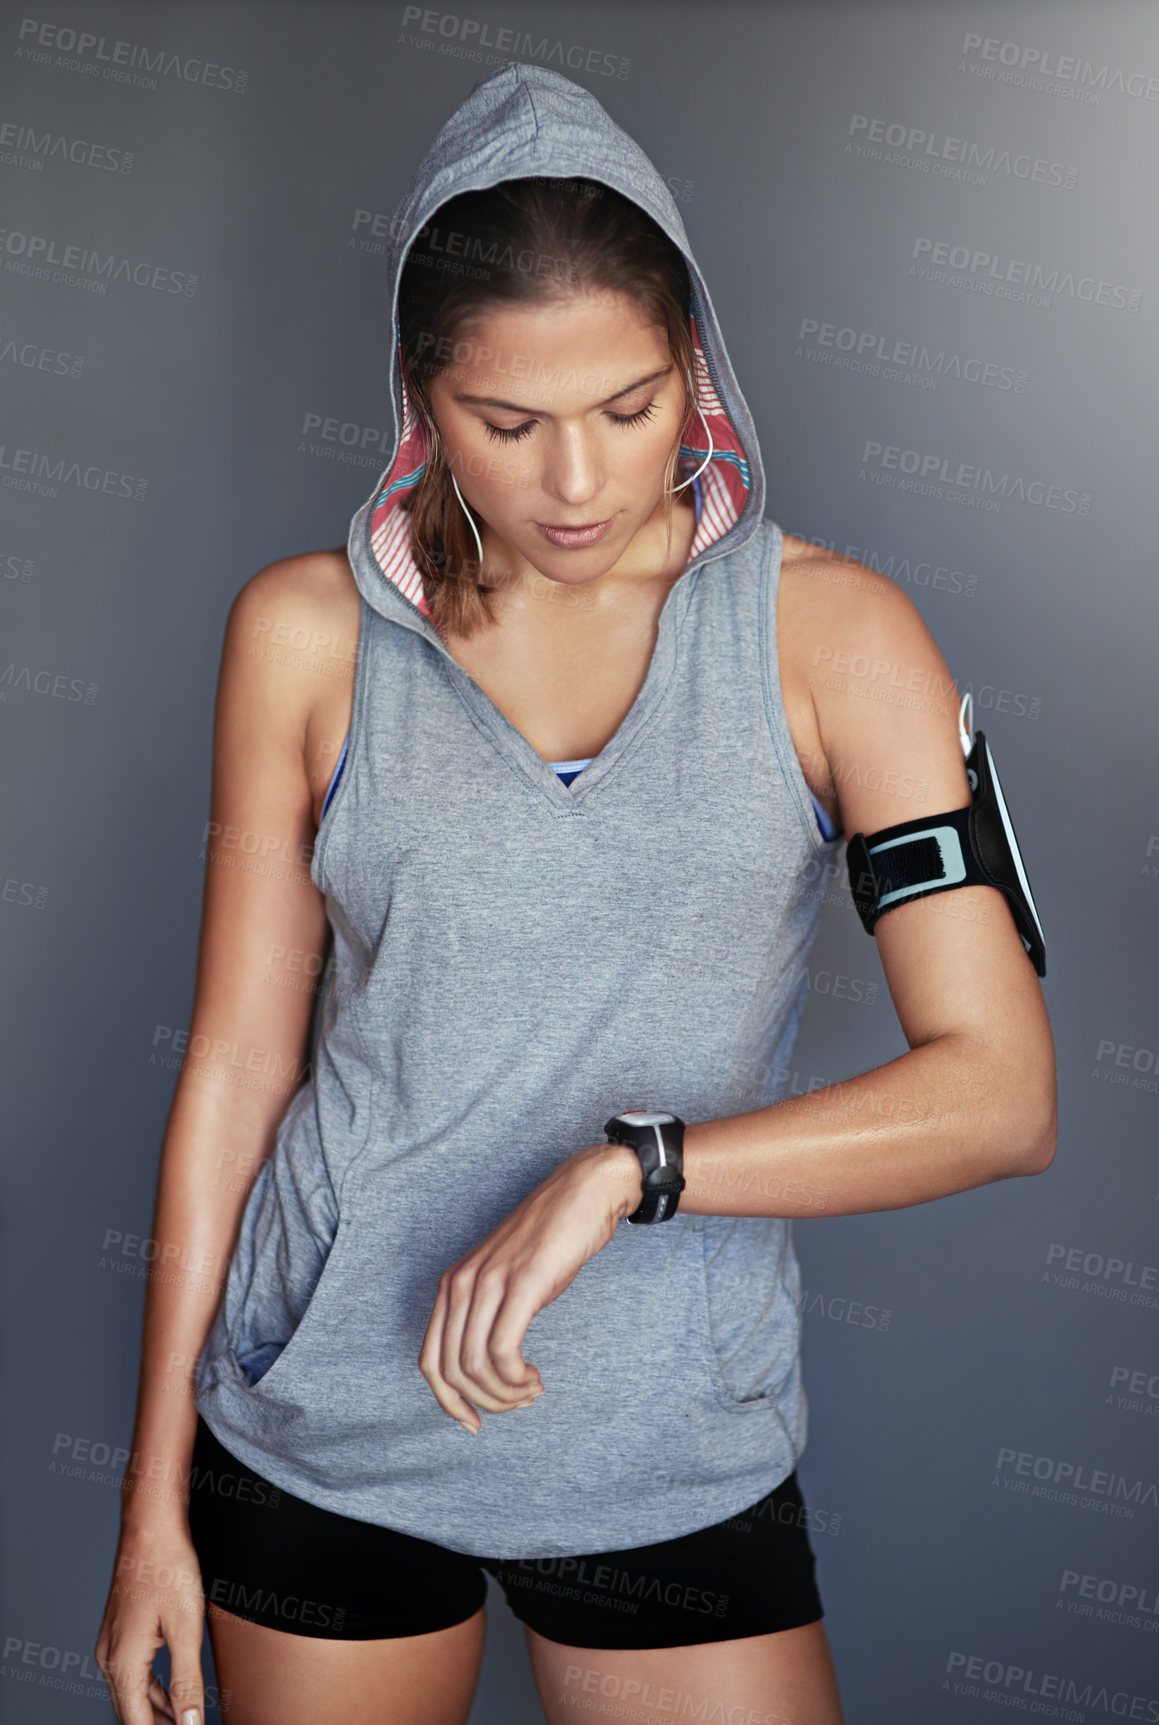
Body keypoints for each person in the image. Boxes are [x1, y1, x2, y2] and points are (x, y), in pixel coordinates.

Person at [94, 62, 1056, 1725]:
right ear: (418, 396)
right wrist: (149, 1513)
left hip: (668, 1437)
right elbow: (240, 1070)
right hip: (325, 1417)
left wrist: (632, 1171)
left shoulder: (839, 640)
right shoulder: (305, 639)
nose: (580, 484)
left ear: (695, 366)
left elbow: (1003, 1092)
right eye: (507, 422)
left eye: (628, 407)